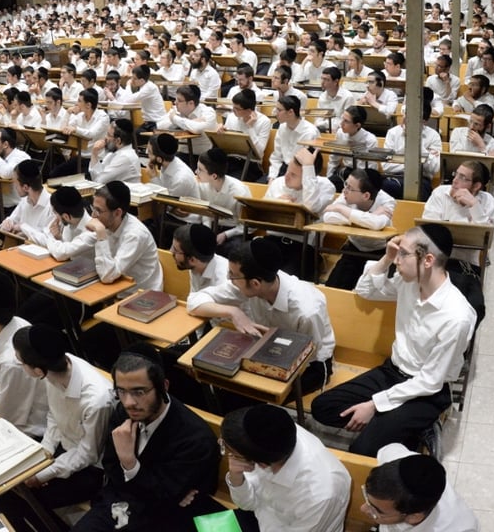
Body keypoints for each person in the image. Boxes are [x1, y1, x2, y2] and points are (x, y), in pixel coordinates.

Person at [312, 225, 477, 456]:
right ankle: (401, 428)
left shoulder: (456, 317)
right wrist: (387, 257)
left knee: (362, 449)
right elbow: (365, 290)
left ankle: (415, 425)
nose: (397, 260)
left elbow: (430, 381)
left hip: (426, 391)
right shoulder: (408, 282)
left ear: (428, 260)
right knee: (323, 408)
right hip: (392, 373)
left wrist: (374, 405)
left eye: (403, 253)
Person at [70, 347, 224, 532]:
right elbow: (111, 466)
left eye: (139, 392)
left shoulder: (194, 438)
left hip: (164, 518)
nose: (128, 402)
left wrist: (129, 463)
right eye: (121, 391)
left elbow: (164, 498)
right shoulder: (123, 413)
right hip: (119, 503)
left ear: (163, 387)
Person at [186, 237, 335, 394]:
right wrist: (233, 312)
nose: (229, 278)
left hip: (310, 363)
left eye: (233, 275)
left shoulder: (307, 310)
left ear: (256, 284)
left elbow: (308, 354)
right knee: (218, 383)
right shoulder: (251, 283)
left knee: (249, 394)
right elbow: (194, 301)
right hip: (264, 348)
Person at [3, 324, 113, 527]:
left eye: (20, 362)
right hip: (64, 450)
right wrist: (44, 453)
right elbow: (53, 415)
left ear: (36, 370)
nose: (18, 365)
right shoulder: (51, 370)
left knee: (23, 500)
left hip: (92, 469)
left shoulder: (96, 400)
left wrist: (45, 473)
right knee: (8, 487)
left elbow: (88, 454)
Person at [220, 404, 351, 532]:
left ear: (261, 464)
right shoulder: (265, 439)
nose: (230, 456)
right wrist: (237, 478)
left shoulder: (319, 495)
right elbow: (247, 504)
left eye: (233, 453)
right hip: (261, 517)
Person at [0, 271, 48, 437]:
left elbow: (6, 415)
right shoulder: (20, 323)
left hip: (36, 430)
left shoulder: (11, 361)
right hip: (29, 408)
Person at [362, 443, 479, 531]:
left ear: (414, 517)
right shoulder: (395, 457)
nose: (362, 509)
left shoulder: (458, 528)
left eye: (375, 511)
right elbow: (389, 449)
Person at [322, 168, 396, 290]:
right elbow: (328, 216)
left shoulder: (387, 201)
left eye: (349, 188)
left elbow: (377, 224)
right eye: (345, 184)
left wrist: (342, 210)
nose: (344, 190)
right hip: (353, 249)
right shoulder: (346, 195)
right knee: (333, 288)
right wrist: (367, 217)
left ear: (366, 195)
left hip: (378, 254)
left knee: (368, 292)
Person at [87, 181, 161, 288]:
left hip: (141, 294)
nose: (93, 215)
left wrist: (101, 235)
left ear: (117, 213)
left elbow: (107, 276)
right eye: (93, 208)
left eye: (98, 210)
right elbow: (76, 247)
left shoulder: (135, 235)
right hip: (118, 287)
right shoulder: (106, 222)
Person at [88, 118, 143, 185]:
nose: (105, 137)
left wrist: (94, 153)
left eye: (108, 135)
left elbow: (99, 181)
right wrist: (94, 153)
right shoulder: (113, 153)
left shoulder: (125, 157)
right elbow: (97, 177)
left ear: (118, 141)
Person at [146, 133, 199, 200]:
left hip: (184, 209)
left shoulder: (181, 179)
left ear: (159, 159)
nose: (147, 154)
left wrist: (153, 177)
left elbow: (167, 203)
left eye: (149, 152)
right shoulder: (166, 163)